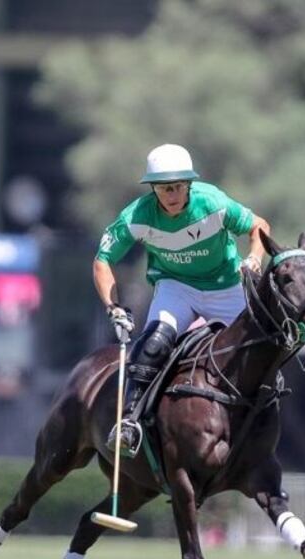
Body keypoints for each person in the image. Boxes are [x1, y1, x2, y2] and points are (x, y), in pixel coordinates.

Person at [93, 143, 271, 457]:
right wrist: (114, 308)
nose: (172, 195)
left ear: (189, 184)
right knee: (153, 343)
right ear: (153, 189)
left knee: (258, 349)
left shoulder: (213, 202)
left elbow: (259, 225)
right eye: (163, 188)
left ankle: (262, 421)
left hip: (226, 285)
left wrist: (255, 257)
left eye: (177, 186)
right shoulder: (136, 216)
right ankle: (130, 422)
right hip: (176, 287)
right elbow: (102, 260)